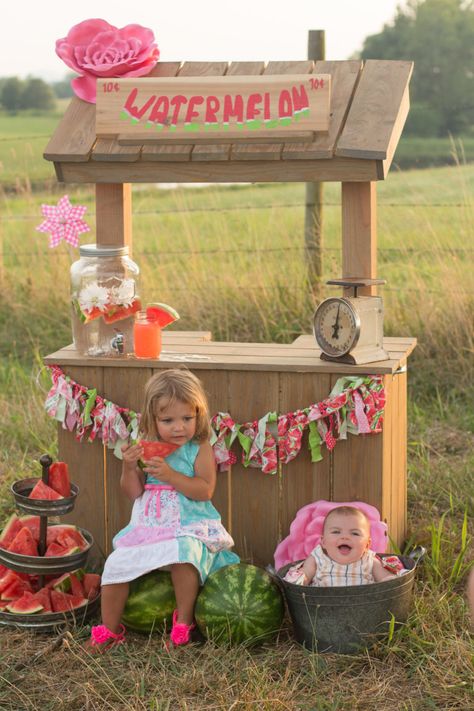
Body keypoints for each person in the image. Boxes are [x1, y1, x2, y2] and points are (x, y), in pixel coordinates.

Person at [89, 368, 239, 650]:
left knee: (185, 556)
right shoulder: (148, 445)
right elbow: (134, 492)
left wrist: (170, 475)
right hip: (147, 528)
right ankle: (109, 629)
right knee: (115, 565)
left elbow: (205, 490)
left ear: (198, 415)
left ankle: (183, 624)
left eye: (187, 418)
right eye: (168, 420)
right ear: (152, 419)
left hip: (188, 525)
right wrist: (129, 467)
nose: (178, 427)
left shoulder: (200, 446)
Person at [284, 506, 397, 586]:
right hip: (323, 607)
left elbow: (385, 579)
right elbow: (305, 574)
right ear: (323, 542)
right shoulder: (318, 556)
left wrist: (392, 580)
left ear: (367, 545)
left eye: (354, 533)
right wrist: (297, 579)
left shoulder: (369, 559)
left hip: (363, 605)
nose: (345, 537)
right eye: (336, 532)